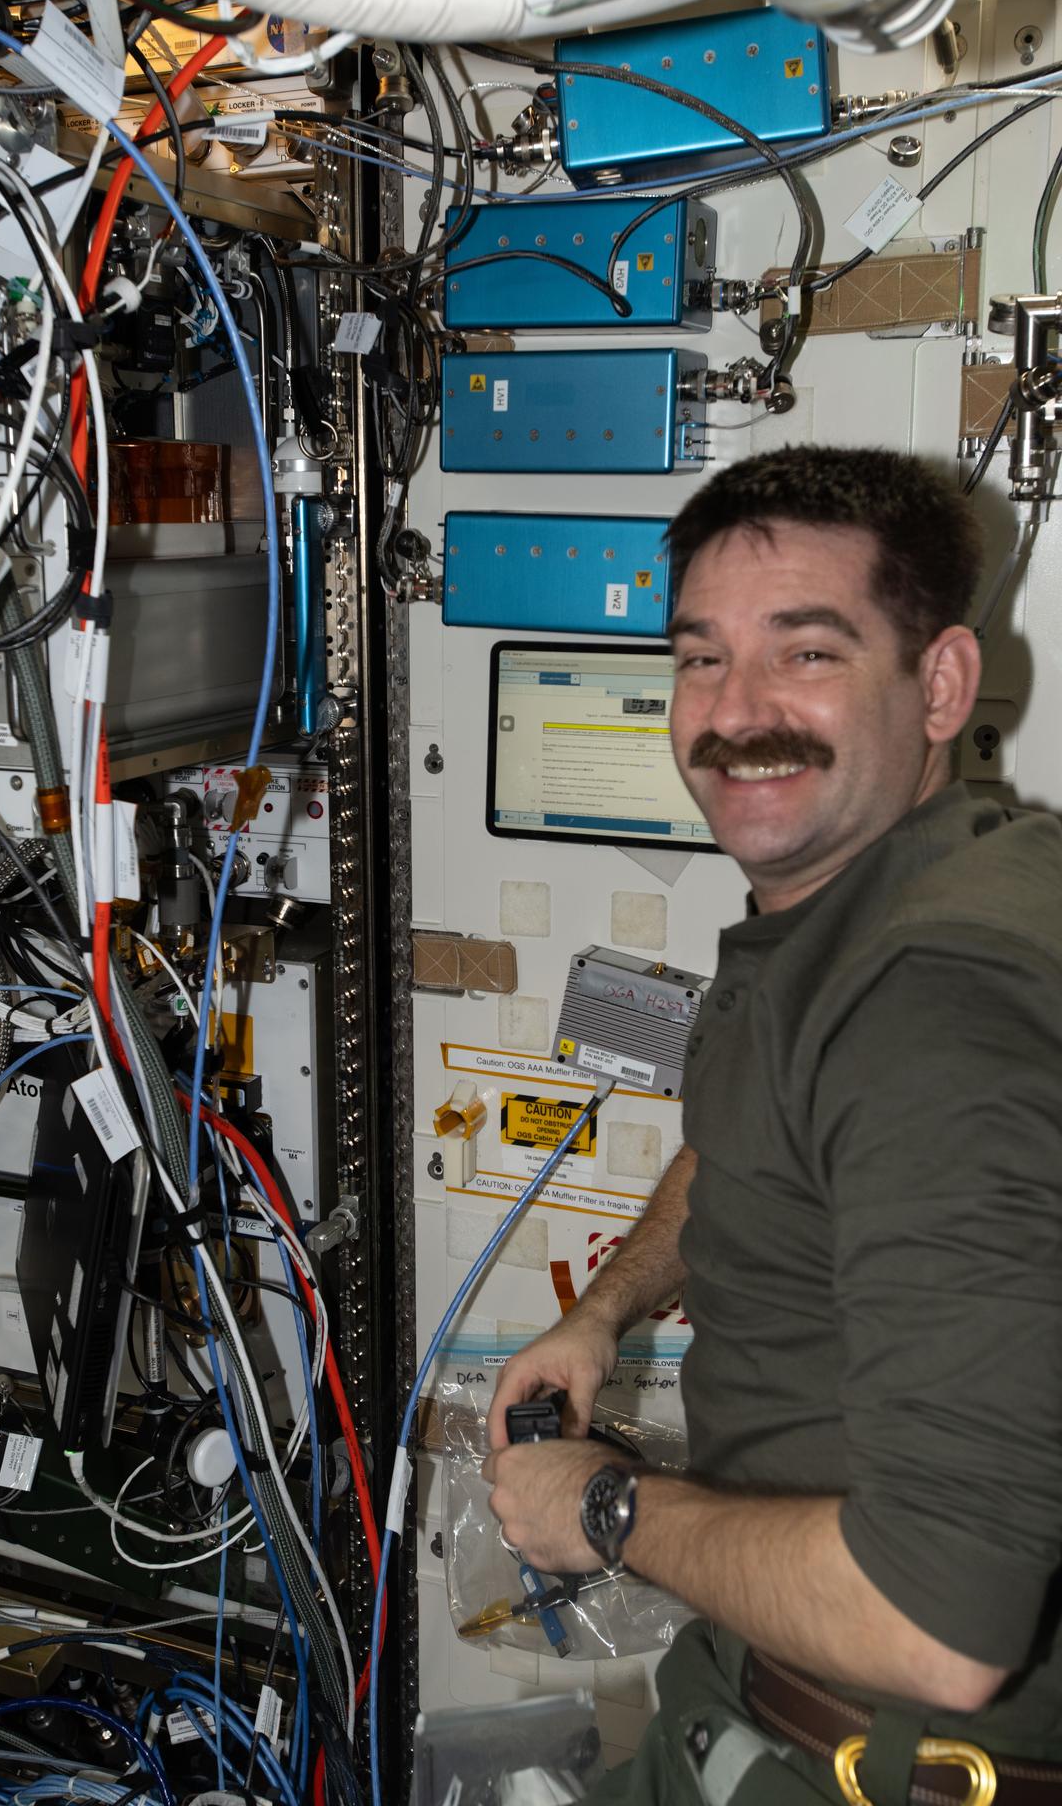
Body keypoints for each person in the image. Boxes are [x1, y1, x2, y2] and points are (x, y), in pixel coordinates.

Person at [482, 444, 1062, 1806]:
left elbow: (940, 1624)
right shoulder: (873, 903)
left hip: (886, 1756)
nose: (735, 714)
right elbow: (757, 1133)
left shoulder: (937, 1009)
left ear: (942, 686)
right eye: (699, 658)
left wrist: (599, 1511)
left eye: (806, 653)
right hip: (754, 1696)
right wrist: (606, 1311)